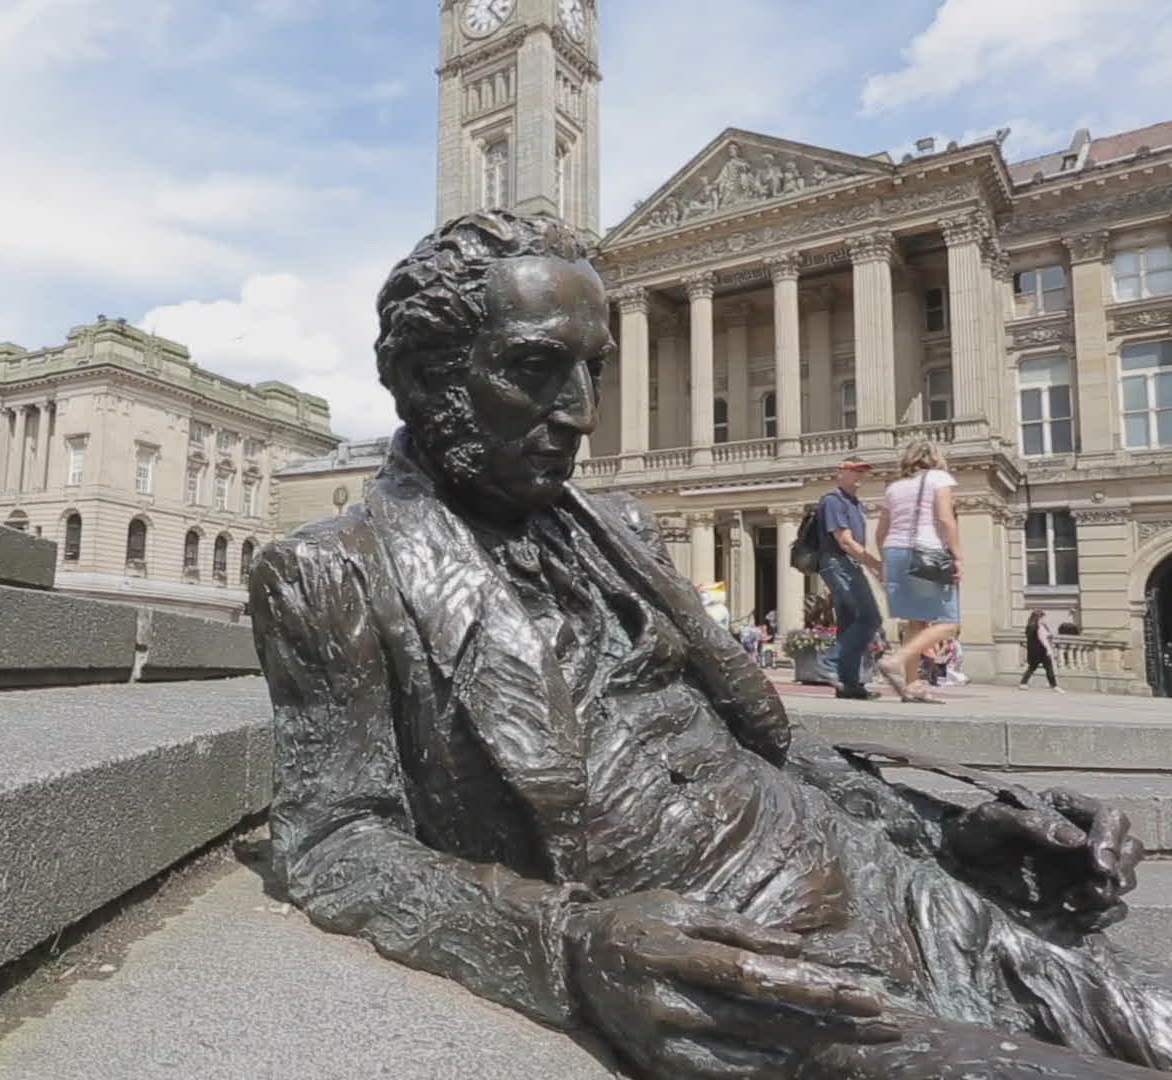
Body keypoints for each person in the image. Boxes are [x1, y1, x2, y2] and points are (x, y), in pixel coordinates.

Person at [250, 210, 1160, 1079]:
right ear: (421, 378)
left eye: (591, 371)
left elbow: (762, 742)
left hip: (889, 883)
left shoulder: (622, 530)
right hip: (740, 966)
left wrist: (949, 830)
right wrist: (566, 946)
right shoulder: (331, 569)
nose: (580, 413)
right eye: (533, 368)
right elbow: (329, 842)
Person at [875, 441, 962, 705]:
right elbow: (946, 520)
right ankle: (895, 660)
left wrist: (886, 562)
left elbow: (880, 532)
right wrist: (957, 555)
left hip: (894, 551)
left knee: (915, 622)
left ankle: (913, 685)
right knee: (949, 622)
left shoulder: (894, 488)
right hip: (927, 551)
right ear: (935, 458)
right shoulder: (939, 478)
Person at [816, 457, 887, 700]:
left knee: (850, 623)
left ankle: (848, 683)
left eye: (863, 472)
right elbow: (845, 541)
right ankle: (830, 664)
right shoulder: (833, 501)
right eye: (855, 471)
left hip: (849, 565)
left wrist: (871, 566)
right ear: (840, 473)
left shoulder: (855, 503)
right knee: (869, 617)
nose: (860, 476)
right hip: (839, 564)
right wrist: (877, 565)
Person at [1022, 609, 1064, 693]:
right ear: (1039, 617)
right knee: (1048, 668)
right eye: (1043, 617)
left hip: (1036, 651)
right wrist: (1048, 649)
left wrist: (1049, 635)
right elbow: (1043, 640)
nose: (1044, 619)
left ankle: (1023, 683)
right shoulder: (1038, 627)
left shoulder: (1032, 627)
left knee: (1032, 668)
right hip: (1042, 651)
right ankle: (1054, 686)